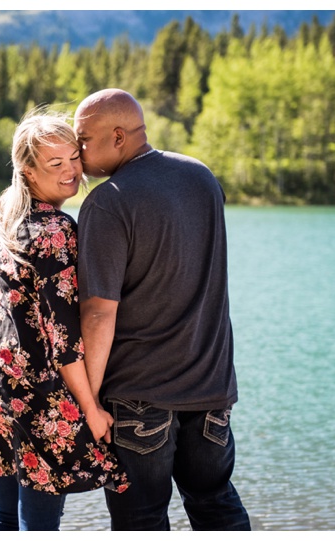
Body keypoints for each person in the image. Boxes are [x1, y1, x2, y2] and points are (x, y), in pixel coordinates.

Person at [72, 89, 251, 531]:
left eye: (83, 140)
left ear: (117, 136)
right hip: (211, 389)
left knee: (141, 519)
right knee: (214, 501)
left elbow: (98, 313)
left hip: (140, 397)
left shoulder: (108, 200)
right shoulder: (202, 177)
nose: (77, 152)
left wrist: (89, 400)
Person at [0, 110, 129, 531]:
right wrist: (91, 408)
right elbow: (63, 336)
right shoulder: (56, 229)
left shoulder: (8, 213)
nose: (71, 172)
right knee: (39, 526)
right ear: (28, 170)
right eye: (55, 164)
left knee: (4, 515)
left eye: (73, 158)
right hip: (38, 388)